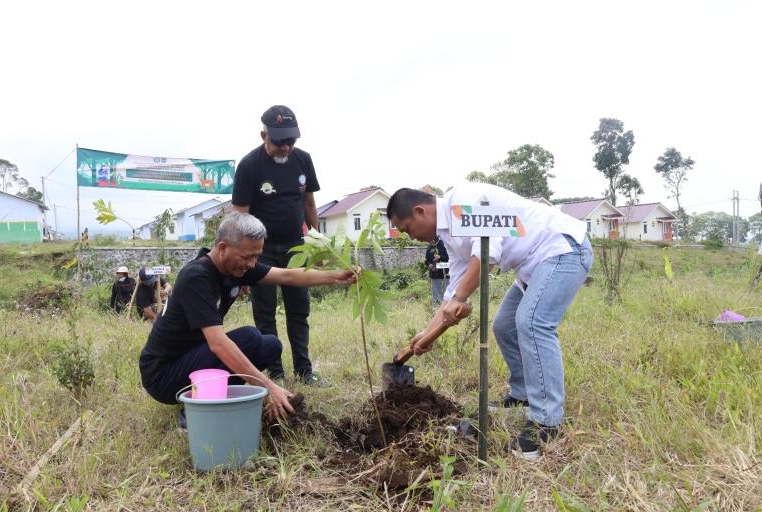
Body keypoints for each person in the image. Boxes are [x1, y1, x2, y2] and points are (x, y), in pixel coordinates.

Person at [386, 182, 592, 460]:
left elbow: (486, 256)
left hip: (563, 248)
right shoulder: (450, 237)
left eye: (408, 229)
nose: (412, 237)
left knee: (532, 322)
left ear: (420, 211)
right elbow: (453, 293)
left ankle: (546, 423)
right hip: (533, 266)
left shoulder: (463, 200)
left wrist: (459, 299)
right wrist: (427, 333)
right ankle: (521, 395)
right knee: (504, 326)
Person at [138, 212, 357, 426]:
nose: (252, 264)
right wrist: (270, 387)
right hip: (163, 376)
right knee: (250, 338)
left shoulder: (235, 267)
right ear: (223, 248)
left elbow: (286, 275)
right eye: (247, 257)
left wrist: (335, 276)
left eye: (256, 256)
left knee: (270, 345)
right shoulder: (197, 276)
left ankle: (213, 397)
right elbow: (218, 344)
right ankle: (196, 407)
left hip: (193, 362)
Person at [230, 104, 323, 385]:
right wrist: (241, 262)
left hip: (296, 248)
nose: (286, 148)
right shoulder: (249, 166)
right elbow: (239, 215)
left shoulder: (303, 160)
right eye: (279, 141)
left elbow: (308, 202)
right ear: (264, 136)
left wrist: (317, 241)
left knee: (299, 311)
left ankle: (305, 371)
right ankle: (275, 372)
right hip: (262, 252)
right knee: (265, 314)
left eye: (291, 141)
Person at [425, 237, 449, 306]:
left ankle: (446, 306)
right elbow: (426, 259)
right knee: (436, 293)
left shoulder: (443, 244)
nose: (429, 242)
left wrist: (440, 257)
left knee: (446, 293)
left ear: (434, 239)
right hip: (434, 274)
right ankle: (436, 307)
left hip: (444, 274)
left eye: (430, 240)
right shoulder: (429, 247)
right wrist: (429, 264)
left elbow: (449, 258)